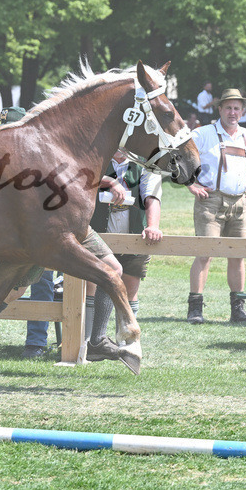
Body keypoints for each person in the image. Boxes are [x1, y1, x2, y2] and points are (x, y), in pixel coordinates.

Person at [185, 88, 246, 325]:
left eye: (237, 108)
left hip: (240, 202)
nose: (232, 112)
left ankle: (238, 310)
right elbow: (180, 159)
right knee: (204, 254)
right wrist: (191, 185)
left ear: (243, 111)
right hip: (210, 201)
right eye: (228, 107)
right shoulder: (202, 133)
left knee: (237, 256)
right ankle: (195, 309)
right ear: (219, 109)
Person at [84, 148, 163, 361]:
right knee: (91, 287)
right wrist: (111, 182)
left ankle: (127, 346)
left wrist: (153, 226)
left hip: (134, 232)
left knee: (129, 289)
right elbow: (82, 174)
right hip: (99, 233)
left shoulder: (146, 164)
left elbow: (152, 197)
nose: (121, 146)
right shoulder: (96, 154)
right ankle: (86, 344)